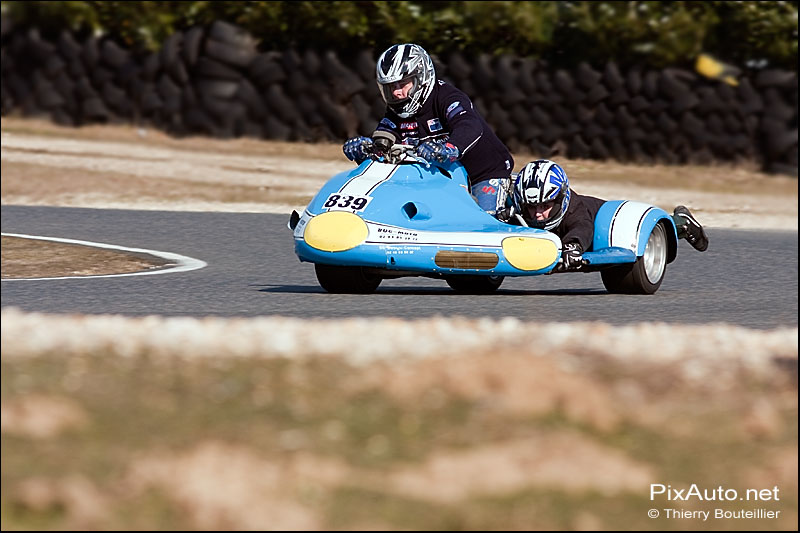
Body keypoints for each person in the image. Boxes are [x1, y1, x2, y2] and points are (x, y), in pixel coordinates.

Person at [342, 43, 514, 216]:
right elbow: (385, 141)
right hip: (437, 178)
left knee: (485, 218)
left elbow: (469, 125)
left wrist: (449, 149)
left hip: (483, 174)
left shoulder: (447, 98)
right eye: (391, 87)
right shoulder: (396, 111)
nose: (396, 93)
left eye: (402, 84)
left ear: (422, 77)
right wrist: (366, 149)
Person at [506, 159, 709, 271]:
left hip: (602, 224)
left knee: (638, 232)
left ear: (560, 199)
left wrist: (573, 247)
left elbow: (582, 228)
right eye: (531, 208)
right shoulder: (518, 210)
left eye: (545, 205)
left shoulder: (574, 210)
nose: (538, 214)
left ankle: (682, 223)